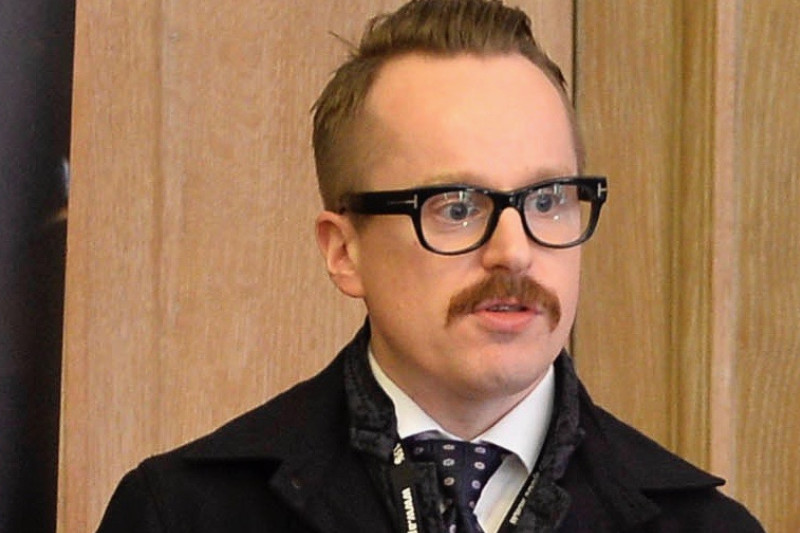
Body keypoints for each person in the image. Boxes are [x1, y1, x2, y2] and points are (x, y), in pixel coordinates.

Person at [96, 1, 764, 531]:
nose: (515, 250)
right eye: (457, 207)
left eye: (547, 200)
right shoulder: (183, 513)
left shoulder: (707, 526)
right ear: (344, 251)